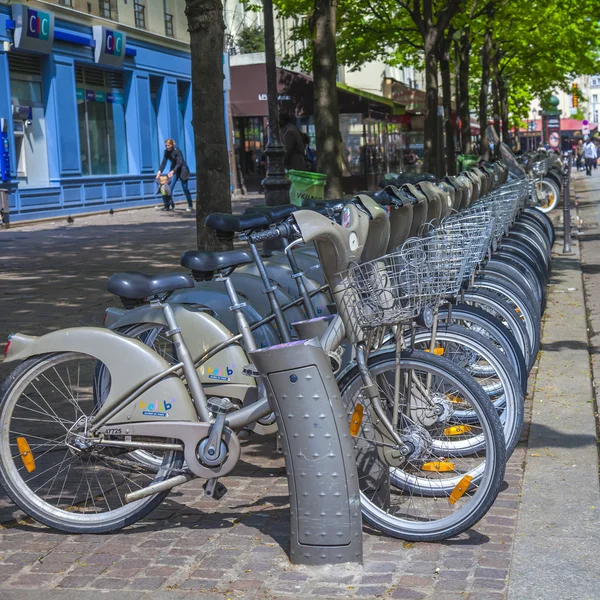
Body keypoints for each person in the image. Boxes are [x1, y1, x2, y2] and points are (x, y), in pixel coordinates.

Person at [156, 139, 193, 212]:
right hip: (174, 171)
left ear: (172, 145)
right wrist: (159, 171)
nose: (167, 147)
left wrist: (172, 171)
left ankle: (190, 205)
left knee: (185, 188)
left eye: (169, 145)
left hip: (182, 170)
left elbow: (179, 163)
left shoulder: (177, 151)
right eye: (166, 145)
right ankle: (168, 205)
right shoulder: (166, 152)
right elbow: (164, 162)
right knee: (169, 188)